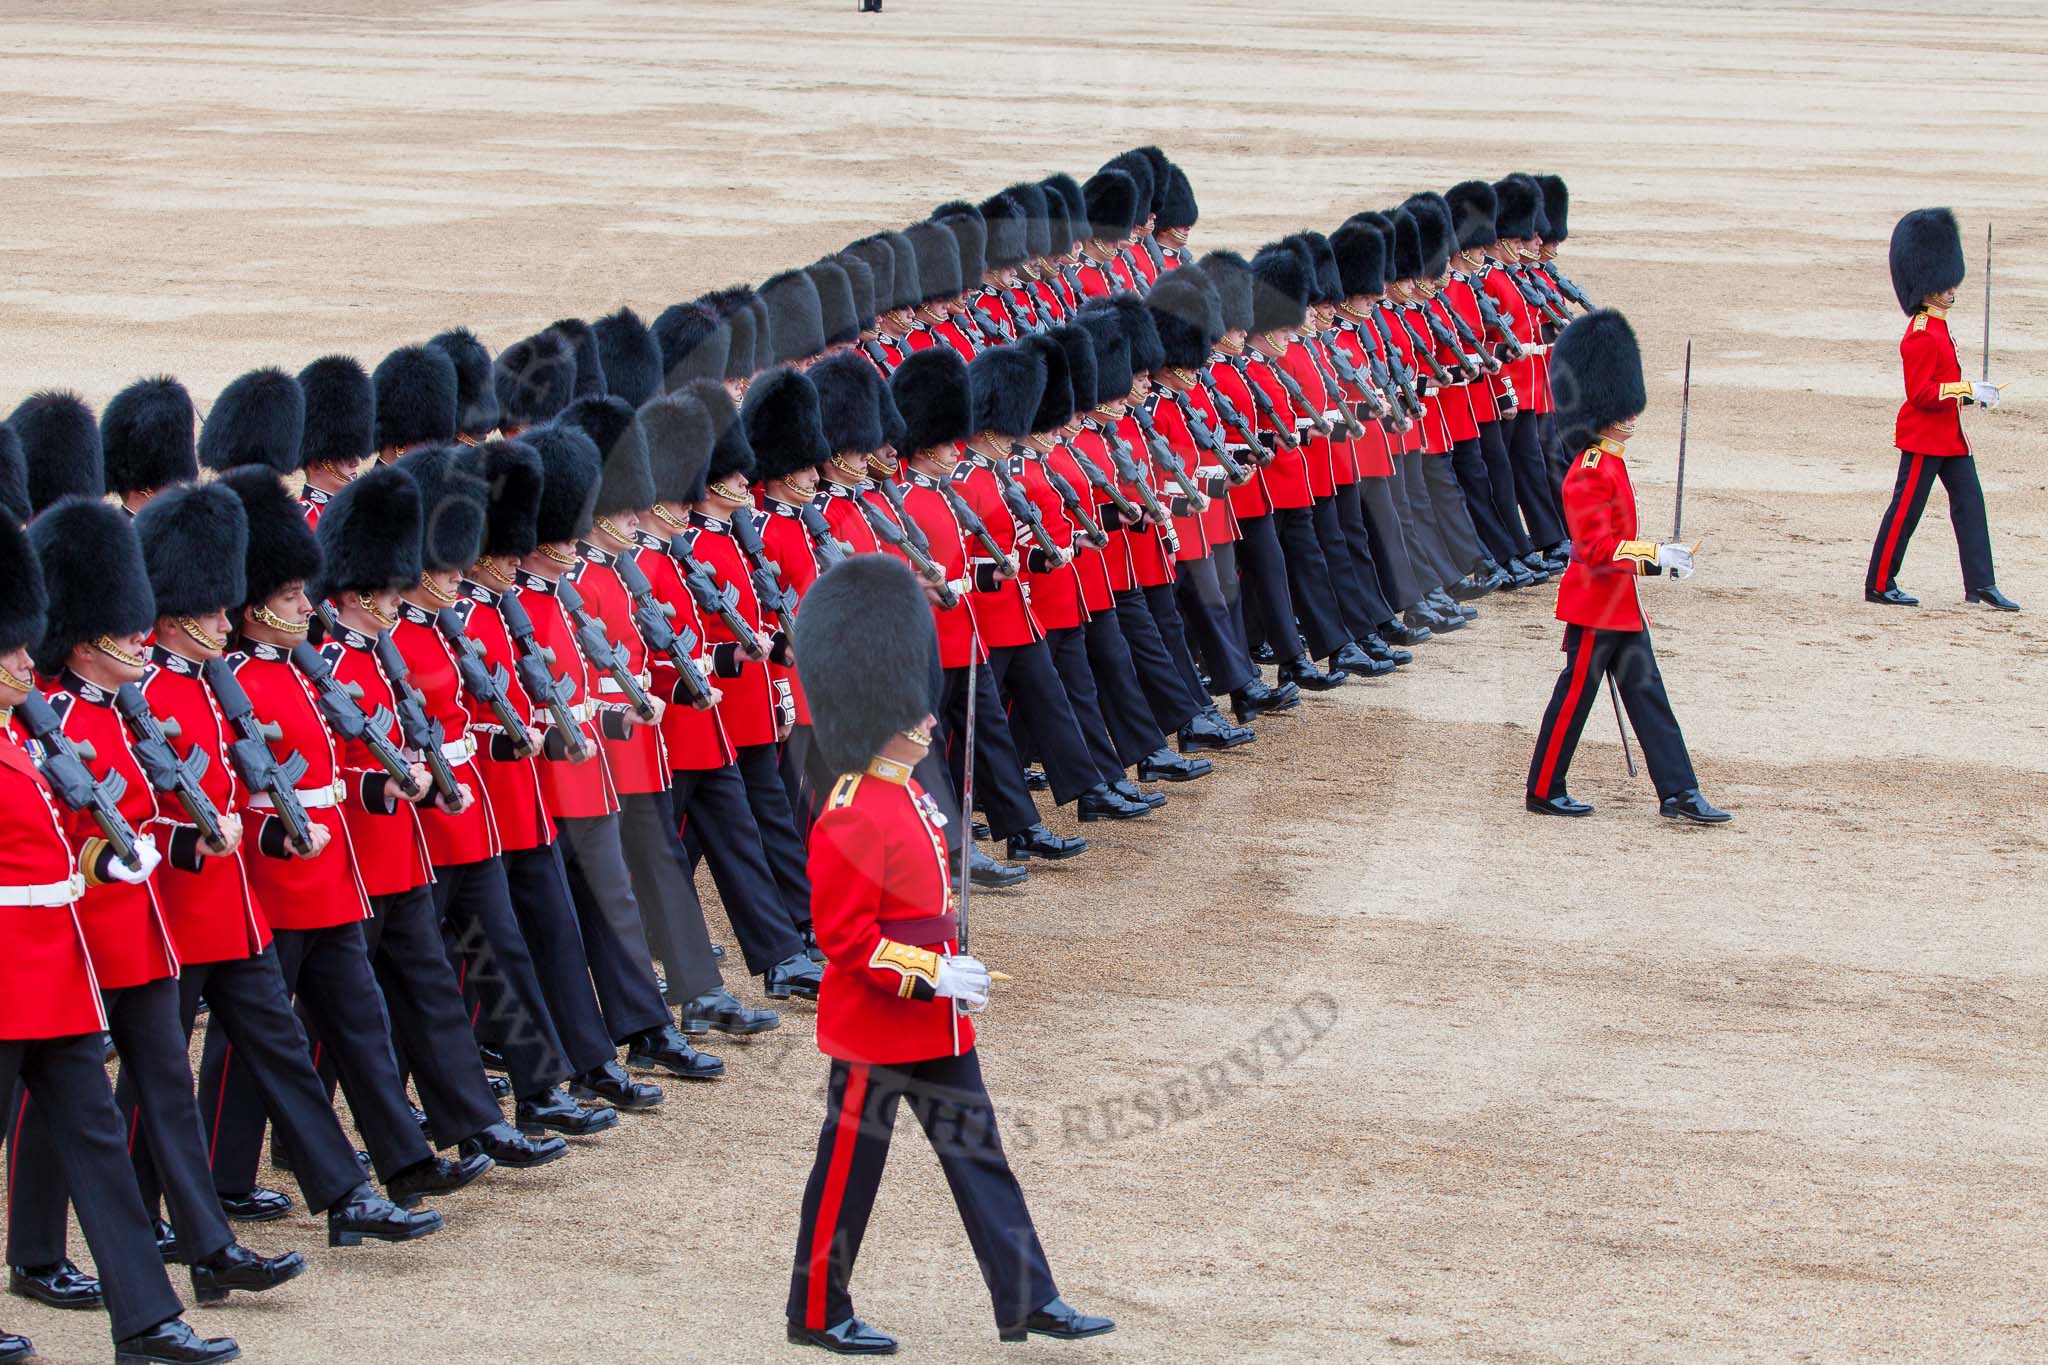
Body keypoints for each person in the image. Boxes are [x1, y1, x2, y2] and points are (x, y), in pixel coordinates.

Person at [783, 554, 1113, 1355]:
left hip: (935, 1025)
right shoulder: (851, 811)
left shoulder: (911, 789)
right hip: (876, 1028)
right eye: (914, 712)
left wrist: (949, 971)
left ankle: (1029, 1297)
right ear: (879, 712)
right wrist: (933, 971)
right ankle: (817, 1311)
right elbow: (846, 938)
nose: (928, 720)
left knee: (982, 1158)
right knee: (846, 1179)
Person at [0, 513, 242, 1365]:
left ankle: (147, 1321)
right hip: (4, 981)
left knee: (101, 1146)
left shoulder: (21, 741)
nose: (28, 663)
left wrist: (118, 855)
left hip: (54, 975)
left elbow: (65, 844)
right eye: (11, 651)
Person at [1523, 310, 1728, 824]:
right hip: (1596, 609)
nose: (1631, 415)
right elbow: (1595, 548)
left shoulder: (1609, 461)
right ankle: (1544, 787)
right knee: (1573, 698)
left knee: (1648, 696)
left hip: (1619, 607)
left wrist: (1659, 561)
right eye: (1622, 408)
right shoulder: (1590, 471)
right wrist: (1653, 557)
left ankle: (1678, 792)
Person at [1863, 207, 2017, 611]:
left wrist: (1972, 394)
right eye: (1944, 285)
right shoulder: (1919, 334)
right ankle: (1879, 582)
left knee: (1970, 506)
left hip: (1949, 437)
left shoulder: (1939, 325)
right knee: (1906, 512)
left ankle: (1981, 584)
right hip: (1923, 437)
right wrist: (1967, 388)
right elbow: (1920, 394)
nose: (1951, 291)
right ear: (1926, 286)